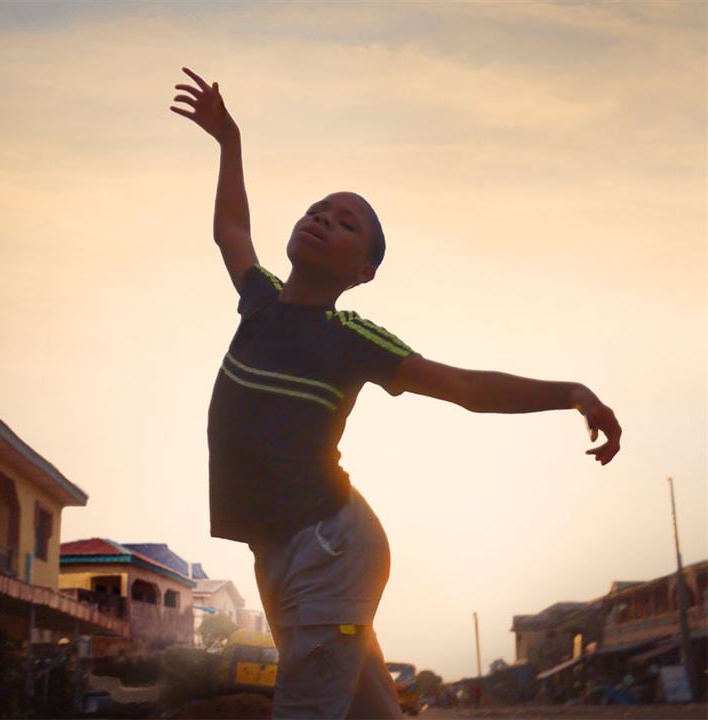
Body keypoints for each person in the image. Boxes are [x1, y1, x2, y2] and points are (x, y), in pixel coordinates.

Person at [170, 67, 622, 719]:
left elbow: (465, 388)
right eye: (318, 210)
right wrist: (229, 141)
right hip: (278, 548)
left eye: (346, 222)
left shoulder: (351, 337)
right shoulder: (261, 301)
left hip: (327, 550)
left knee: (306, 707)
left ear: (364, 271)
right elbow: (232, 232)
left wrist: (572, 392)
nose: (324, 219)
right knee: (368, 704)